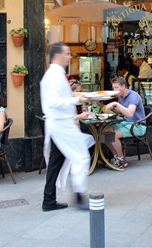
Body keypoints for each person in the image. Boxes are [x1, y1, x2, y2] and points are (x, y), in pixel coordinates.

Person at [40, 42, 91, 211]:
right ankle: (79, 196)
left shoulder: (53, 74)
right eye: (67, 53)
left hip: (58, 124)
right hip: (61, 124)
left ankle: (48, 200)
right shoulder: (55, 75)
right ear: (58, 55)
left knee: (56, 162)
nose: (69, 57)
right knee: (81, 157)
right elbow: (53, 101)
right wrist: (76, 99)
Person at [104, 76, 147, 169]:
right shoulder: (121, 96)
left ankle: (121, 159)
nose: (114, 90)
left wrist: (117, 104)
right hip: (126, 123)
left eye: (116, 87)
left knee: (113, 135)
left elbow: (130, 114)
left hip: (138, 126)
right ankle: (116, 156)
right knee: (105, 132)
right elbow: (120, 111)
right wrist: (112, 108)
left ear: (123, 86)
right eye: (113, 88)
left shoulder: (133, 96)